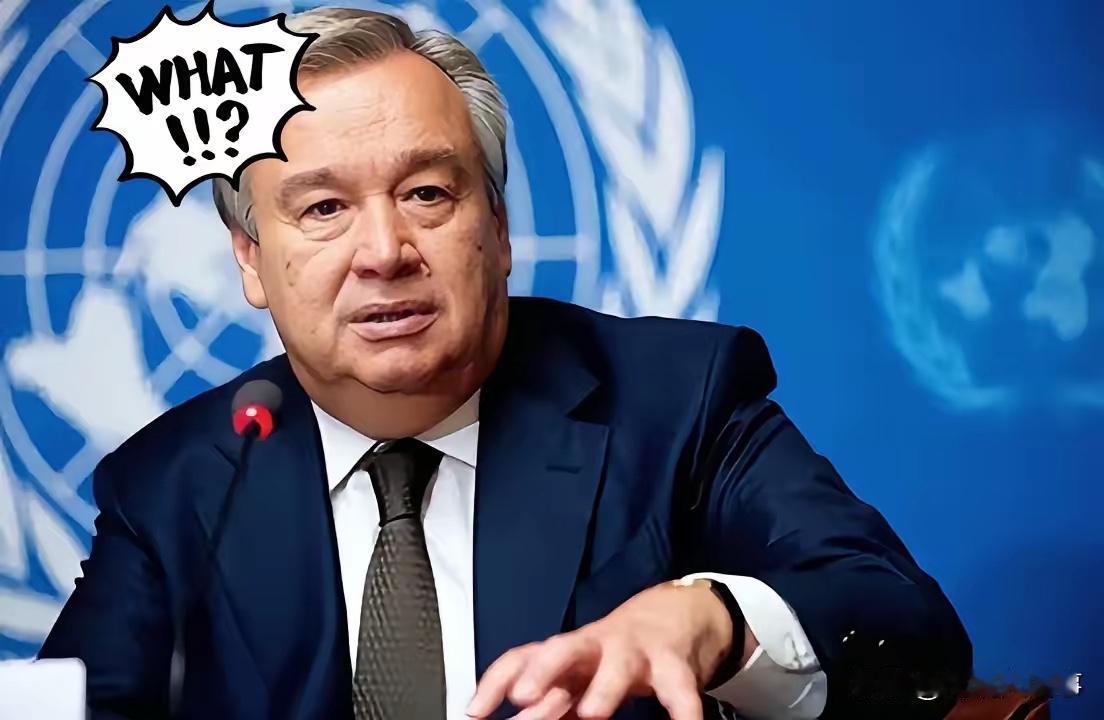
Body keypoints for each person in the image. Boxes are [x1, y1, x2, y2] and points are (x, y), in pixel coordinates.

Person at [40, 7, 971, 720]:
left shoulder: (674, 403)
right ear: (250, 260)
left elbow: (908, 628)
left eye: (427, 193)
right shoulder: (178, 481)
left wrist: (713, 622)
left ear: (499, 226)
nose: (384, 252)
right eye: (323, 209)